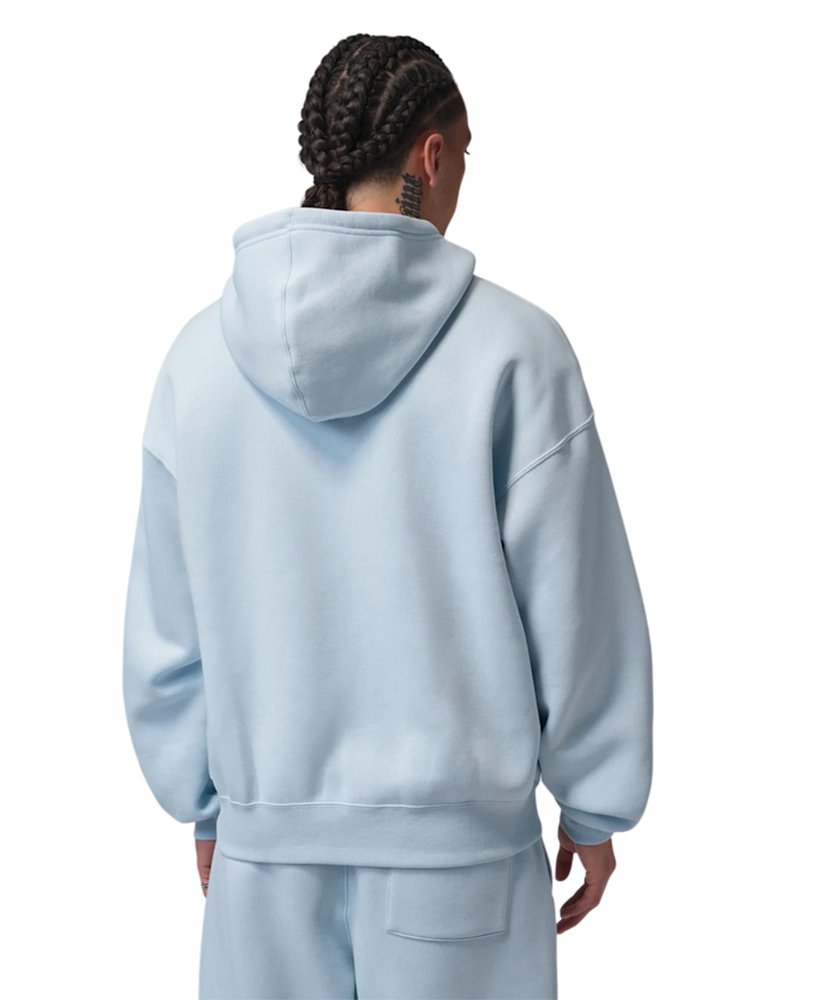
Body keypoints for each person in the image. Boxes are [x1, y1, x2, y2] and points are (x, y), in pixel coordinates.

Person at [122, 32, 653, 1000]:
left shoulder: (196, 364)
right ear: (431, 155)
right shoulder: (517, 352)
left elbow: (169, 633)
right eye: (465, 157)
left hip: (262, 868)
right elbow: (578, 609)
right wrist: (593, 802)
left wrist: (209, 806)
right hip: (459, 866)